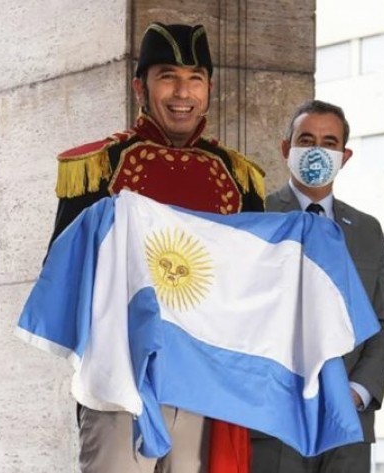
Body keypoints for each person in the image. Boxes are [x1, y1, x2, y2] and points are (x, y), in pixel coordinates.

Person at [49, 22, 265, 473]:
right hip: (120, 382)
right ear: (140, 87)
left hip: (204, 385)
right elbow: (61, 275)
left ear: (209, 89)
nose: (181, 92)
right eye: (167, 75)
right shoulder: (98, 167)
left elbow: (256, 286)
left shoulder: (240, 177)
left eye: (195, 79)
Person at [251, 99, 384, 473]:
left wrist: (356, 393)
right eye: (307, 139)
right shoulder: (255, 217)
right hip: (274, 424)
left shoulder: (368, 231)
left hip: (347, 427)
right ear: (287, 149)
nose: (318, 150)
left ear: (344, 156)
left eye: (329, 142)